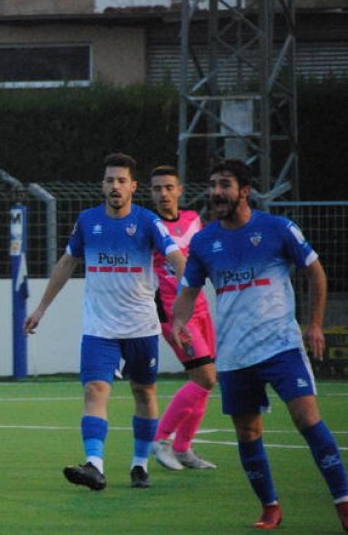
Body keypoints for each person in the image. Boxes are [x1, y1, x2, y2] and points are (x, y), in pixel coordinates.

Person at [171, 159, 348, 530]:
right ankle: (270, 507)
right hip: (235, 355)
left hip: (281, 345)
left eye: (225, 185)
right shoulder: (204, 242)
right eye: (213, 185)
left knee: (307, 420)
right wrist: (179, 321)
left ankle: (343, 503)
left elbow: (316, 272)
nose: (217, 193)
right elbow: (188, 290)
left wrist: (314, 324)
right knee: (248, 432)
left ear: (244, 190)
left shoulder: (277, 228)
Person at [23, 153, 185, 490]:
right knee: (95, 390)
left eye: (121, 180)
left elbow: (179, 260)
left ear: (133, 187)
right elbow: (68, 262)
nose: (115, 186)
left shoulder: (147, 222)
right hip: (99, 329)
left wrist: (186, 306)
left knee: (144, 391)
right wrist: (41, 308)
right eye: (110, 180)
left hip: (141, 326)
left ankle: (139, 464)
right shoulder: (87, 221)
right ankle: (94, 465)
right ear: (102, 185)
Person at [147, 165, 219, 471]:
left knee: (204, 381)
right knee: (205, 376)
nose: (163, 194)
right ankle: (160, 441)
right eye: (157, 189)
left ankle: (183, 448)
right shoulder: (149, 226)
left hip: (201, 309)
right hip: (173, 314)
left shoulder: (193, 220)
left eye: (168, 187)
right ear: (150, 193)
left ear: (179, 190)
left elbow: (204, 260)